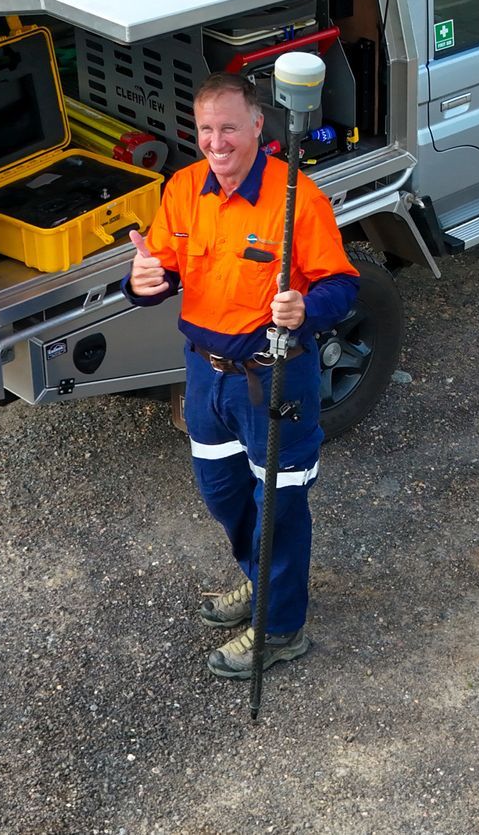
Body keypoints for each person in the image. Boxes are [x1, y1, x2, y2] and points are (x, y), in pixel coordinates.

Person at [123, 71, 358, 679]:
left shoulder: (297, 199)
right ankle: (260, 583)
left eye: (229, 127)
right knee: (223, 494)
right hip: (205, 378)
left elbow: (341, 285)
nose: (216, 141)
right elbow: (163, 271)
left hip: (275, 379)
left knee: (279, 504)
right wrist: (143, 283)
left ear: (258, 125)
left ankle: (281, 629)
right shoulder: (182, 189)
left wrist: (307, 308)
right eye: (205, 129)